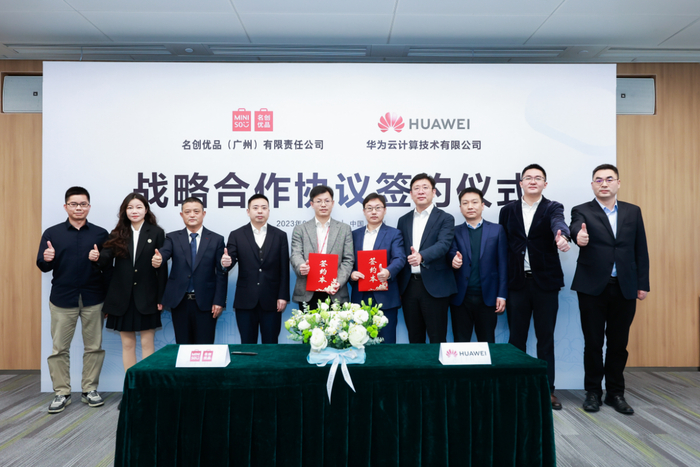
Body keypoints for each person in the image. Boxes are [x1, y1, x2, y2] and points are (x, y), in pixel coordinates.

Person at [570, 163, 649, 415]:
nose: (604, 183)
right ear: (592, 184)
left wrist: (643, 284)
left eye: (609, 179)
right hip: (592, 287)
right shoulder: (582, 210)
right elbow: (575, 228)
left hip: (625, 286)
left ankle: (615, 393)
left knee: (618, 344)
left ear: (618, 183)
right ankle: (593, 392)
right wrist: (578, 237)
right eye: (598, 180)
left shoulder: (632, 211)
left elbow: (640, 249)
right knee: (593, 343)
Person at [498, 163, 570, 410]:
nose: (532, 181)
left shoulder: (553, 207)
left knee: (545, 339)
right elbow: (504, 245)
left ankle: (547, 390)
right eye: (528, 177)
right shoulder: (507, 210)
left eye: (538, 178)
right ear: (520, 183)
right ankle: (515, 388)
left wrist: (562, 236)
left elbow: (559, 224)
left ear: (544, 184)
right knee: (516, 339)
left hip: (545, 284)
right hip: (517, 283)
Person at [37, 187, 109, 413]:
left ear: (89, 206)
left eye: (83, 204)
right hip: (62, 298)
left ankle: (90, 390)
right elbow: (43, 265)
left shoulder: (100, 234)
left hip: (93, 297)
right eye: (74, 204)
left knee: (94, 347)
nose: (79, 208)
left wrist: (99, 258)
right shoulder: (52, 233)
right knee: (59, 348)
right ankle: (62, 392)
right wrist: (47, 258)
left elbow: (108, 266)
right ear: (66, 206)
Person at [92, 193, 166, 372]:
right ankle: (131, 384)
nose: (134, 211)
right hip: (122, 297)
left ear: (146, 210)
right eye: (130, 207)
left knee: (147, 343)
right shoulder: (117, 233)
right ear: (124, 211)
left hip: (147, 296)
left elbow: (162, 268)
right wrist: (97, 257)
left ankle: (146, 384)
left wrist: (161, 297)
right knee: (127, 344)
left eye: (139, 207)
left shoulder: (156, 232)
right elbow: (105, 258)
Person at [152, 197, 227, 344]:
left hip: (206, 302)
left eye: (196, 211)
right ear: (182, 215)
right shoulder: (172, 237)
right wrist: (159, 259)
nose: (192, 215)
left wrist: (219, 301)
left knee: (205, 347)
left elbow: (221, 272)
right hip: (180, 301)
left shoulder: (216, 239)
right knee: (183, 346)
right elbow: (164, 253)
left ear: (203, 214)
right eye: (187, 212)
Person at [221, 194, 290, 344]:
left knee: (271, 344)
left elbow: (284, 269)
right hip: (245, 300)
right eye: (255, 208)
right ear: (248, 211)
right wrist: (225, 262)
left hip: (272, 300)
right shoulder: (237, 234)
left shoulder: (280, 235)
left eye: (264, 208)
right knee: (247, 343)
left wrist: (283, 296)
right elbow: (229, 262)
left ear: (268, 211)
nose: (260, 211)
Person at [397, 173, 457, 343]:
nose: (421, 191)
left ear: (434, 192)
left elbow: (443, 244)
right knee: (414, 338)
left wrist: (422, 256)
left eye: (425, 188)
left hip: (436, 286)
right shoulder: (403, 220)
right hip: (409, 286)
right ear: (411, 194)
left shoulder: (445, 218)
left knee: (437, 337)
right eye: (416, 188)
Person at [449, 187, 508, 343]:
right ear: (460, 207)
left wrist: (501, 294)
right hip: (461, 298)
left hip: (488, 297)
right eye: (465, 203)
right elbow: (450, 253)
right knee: (460, 343)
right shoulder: (454, 231)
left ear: (482, 205)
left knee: (487, 342)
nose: (470, 206)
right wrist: (453, 260)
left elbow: (503, 264)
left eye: (474, 202)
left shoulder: (497, 230)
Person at [349, 193, 406, 343]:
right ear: (364, 211)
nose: (373, 212)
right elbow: (347, 261)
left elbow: (399, 258)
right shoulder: (354, 235)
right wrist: (351, 274)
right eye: (369, 208)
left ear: (385, 210)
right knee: (359, 341)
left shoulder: (394, 233)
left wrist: (388, 271)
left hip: (386, 296)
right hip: (360, 296)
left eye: (378, 208)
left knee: (386, 342)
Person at [290, 185, 354, 309]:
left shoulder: (344, 229)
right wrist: (301, 266)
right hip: (308, 291)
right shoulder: (300, 229)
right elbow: (295, 254)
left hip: (335, 291)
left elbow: (348, 259)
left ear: (332, 203)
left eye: (327, 201)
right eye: (318, 201)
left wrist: (338, 282)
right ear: (312, 204)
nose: (323, 205)